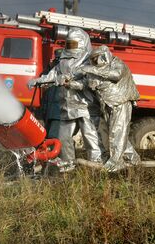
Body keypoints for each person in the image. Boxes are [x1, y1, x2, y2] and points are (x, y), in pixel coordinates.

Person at [28, 28, 105, 172]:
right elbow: (53, 74)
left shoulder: (90, 61)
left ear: (82, 43)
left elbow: (92, 81)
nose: (70, 48)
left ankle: (97, 167)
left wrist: (70, 81)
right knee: (62, 139)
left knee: (91, 137)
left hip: (86, 107)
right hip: (67, 107)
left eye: (74, 44)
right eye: (69, 44)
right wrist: (38, 80)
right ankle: (67, 166)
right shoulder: (63, 61)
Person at [75, 45, 140, 172]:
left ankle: (116, 163)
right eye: (92, 60)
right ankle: (133, 159)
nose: (94, 63)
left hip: (120, 103)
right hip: (108, 105)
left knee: (117, 132)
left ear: (104, 56)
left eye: (95, 59)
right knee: (119, 134)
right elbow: (85, 84)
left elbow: (116, 75)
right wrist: (68, 83)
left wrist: (90, 69)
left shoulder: (117, 64)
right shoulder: (97, 71)